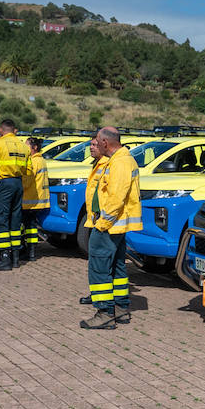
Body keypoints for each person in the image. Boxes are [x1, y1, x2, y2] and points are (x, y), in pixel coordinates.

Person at [80, 126, 142, 329]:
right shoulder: (119, 160)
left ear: (106, 143)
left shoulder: (121, 162)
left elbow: (116, 197)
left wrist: (102, 224)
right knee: (116, 266)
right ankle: (121, 309)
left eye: (97, 141)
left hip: (108, 225)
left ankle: (105, 313)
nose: (96, 144)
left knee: (99, 268)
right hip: (114, 226)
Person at [0, 119, 29, 272]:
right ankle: (15, 257)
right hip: (18, 183)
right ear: (13, 130)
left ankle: (4, 258)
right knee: (15, 219)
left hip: (5, 183)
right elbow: (27, 169)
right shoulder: (23, 146)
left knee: (1, 219)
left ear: (1, 130)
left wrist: (1, 175)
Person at [19, 137, 49, 262]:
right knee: (30, 226)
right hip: (36, 200)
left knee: (27, 226)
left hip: (30, 200)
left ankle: (28, 251)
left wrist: (17, 184)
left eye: (27, 146)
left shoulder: (34, 162)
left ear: (34, 147)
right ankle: (30, 250)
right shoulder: (40, 160)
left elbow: (27, 181)